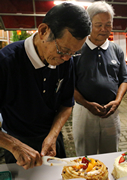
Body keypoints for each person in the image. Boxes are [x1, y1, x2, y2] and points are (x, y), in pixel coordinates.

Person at [0, 3, 91, 169]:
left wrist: (53, 135)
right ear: (43, 31)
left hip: (51, 140)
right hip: (17, 144)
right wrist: (14, 146)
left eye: (73, 53)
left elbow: (66, 103)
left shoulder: (66, 61)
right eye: (63, 50)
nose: (66, 58)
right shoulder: (6, 61)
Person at [72, 1, 127, 156]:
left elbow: (125, 79)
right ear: (89, 24)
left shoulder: (116, 50)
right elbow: (69, 84)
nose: (104, 29)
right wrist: (86, 103)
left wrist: (117, 101)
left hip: (110, 112)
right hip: (84, 111)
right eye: (98, 25)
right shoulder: (77, 48)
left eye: (108, 24)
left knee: (111, 153)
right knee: (85, 155)